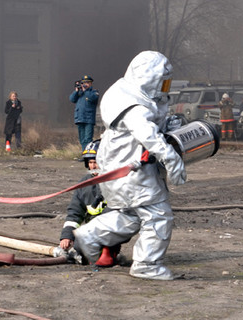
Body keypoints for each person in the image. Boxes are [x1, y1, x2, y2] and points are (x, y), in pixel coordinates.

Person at [74, 51, 187, 280]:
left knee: (130, 215)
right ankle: (147, 265)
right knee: (158, 214)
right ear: (149, 77)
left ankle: (89, 235)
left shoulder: (128, 92)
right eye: (162, 82)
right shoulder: (134, 104)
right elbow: (148, 134)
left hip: (120, 167)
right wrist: (172, 160)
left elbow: (152, 124)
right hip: (130, 170)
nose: (165, 87)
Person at [58, 139, 124, 267]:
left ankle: (109, 252)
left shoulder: (117, 183)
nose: (93, 166)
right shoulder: (84, 185)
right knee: (79, 248)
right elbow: (74, 213)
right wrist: (67, 236)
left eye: (97, 162)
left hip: (110, 232)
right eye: (90, 163)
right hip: (91, 233)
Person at [70, 75, 100, 151]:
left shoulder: (94, 92)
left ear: (91, 83)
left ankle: (88, 155)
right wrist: (76, 91)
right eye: (83, 83)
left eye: (87, 82)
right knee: (82, 139)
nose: (85, 84)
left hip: (89, 119)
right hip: (79, 118)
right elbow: (72, 99)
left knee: (88, 139)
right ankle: (84, 155)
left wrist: (85, 90)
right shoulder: (79, 93)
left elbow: (93, 98)